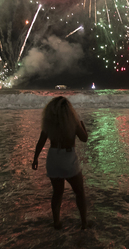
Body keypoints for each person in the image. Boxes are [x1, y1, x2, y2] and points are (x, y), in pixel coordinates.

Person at [32, 96, 88, 229]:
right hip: (68, 158)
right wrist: (82, 125)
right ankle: (84, 223)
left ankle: (56, 222)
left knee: (57, 192)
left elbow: (41, 142)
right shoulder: (73, 122)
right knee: (79, 192)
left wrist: (35, 159)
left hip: (53, 158)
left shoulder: (49, 123)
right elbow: (84, 138)